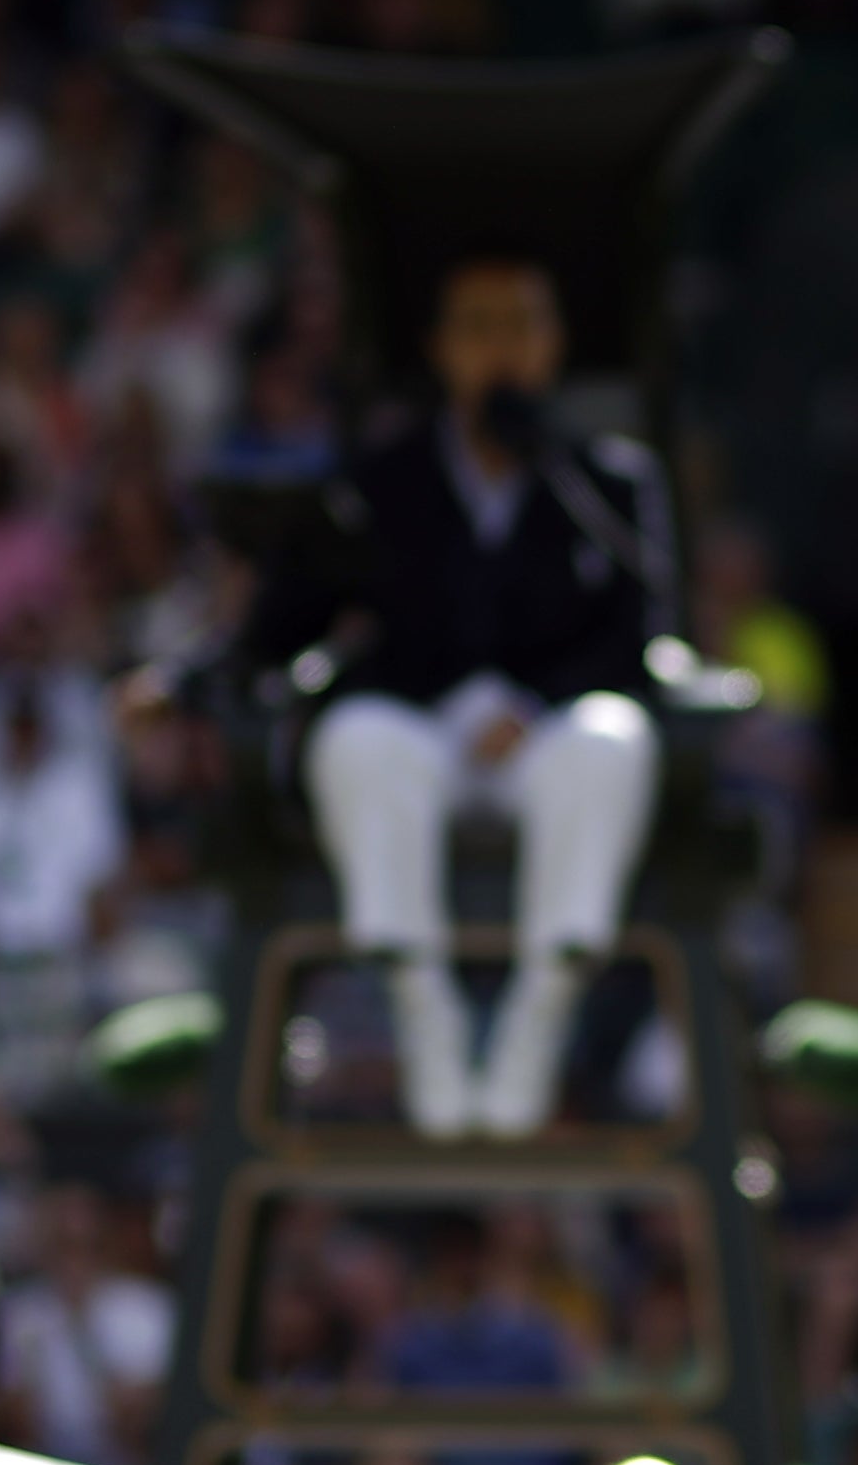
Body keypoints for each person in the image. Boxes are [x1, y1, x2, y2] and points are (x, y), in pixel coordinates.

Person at [251, 256, 667, 1140]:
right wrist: (182, 681)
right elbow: (288, 621)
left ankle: (539, 1016)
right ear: (442, 349)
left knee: (613, 738)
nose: (501, 351)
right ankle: (422, 1010)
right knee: (356, 737)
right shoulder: (380, 476)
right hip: (422, 737)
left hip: (543, 742)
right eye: (480, 328)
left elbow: (642, 634)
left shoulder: (606, 479)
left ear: (553, 346)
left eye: (521, 326)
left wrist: (540, 701)